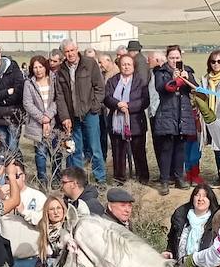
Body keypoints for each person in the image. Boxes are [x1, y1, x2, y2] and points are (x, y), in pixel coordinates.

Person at [55, 37, 107, 184]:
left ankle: (100, 178)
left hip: (90, 113)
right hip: (72, 116)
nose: (70, 54)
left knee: (95, 147)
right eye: (67, 51)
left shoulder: (89, 64)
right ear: (63, 53)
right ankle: (79, 181)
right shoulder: (61, 70)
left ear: (77, 49)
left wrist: (94, 107)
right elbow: (60, 96)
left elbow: (99, 87)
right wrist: (65, 117)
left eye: (72, 50)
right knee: (75, 150)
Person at [153, 45, 198, 194]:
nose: (174, 60)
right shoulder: (161, 72)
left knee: (180, 148)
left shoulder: (188, 70)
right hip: (168, 113)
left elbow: (195, 88)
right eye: (172, 58)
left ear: (181, 58)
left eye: (177, 58)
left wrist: (187, 78)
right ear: (167, 58)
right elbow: (160, 88)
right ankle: (165, 180)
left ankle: (179, 177)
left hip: (183, 114)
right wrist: (173, 80)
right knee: (166, 148)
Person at [105, 52, 151, 183]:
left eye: (129, 64)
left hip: (136, 122)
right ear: (119, 66)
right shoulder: (112, 81)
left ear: (133, 66)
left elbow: (145, 101)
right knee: (118, 152)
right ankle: (120, 178)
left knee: (139, 151)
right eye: (123, 64)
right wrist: (118, 104)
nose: (126, 67)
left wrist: (128, 106)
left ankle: (143, 177)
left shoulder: (140, 81)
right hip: (116, 122)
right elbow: (107, 97)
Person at [194, 48, 220, 174]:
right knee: (216, 149)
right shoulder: (205, 80)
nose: (216, 64)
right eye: (213, 62)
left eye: (219, 61)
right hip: (210, 119)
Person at [22, 54, 60, 185]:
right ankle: (42, 179)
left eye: (41, 67)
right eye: (35, 67)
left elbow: (57, 100)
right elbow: (27, 103)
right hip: (37, 123)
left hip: (54, 121)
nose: (38, 70)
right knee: (40, 152)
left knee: (56, 151)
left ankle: (56, 178)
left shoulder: (53, 80)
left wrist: (48, 116)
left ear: (46, 67)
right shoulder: (29, 83)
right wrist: (42, 119)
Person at [164, 183, 218, 264]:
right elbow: (172, 238)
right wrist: (169, 251)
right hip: (179, 265)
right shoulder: (181, 216)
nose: (200, 199)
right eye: (197, 195)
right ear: (192, 198)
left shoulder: (216, 221)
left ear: (210, 200)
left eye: (205, 196)